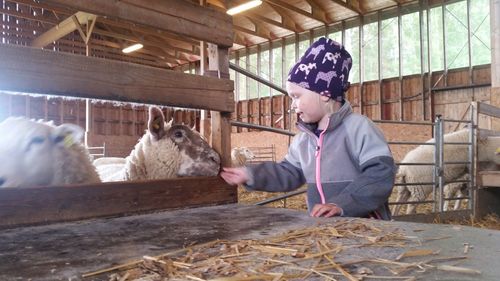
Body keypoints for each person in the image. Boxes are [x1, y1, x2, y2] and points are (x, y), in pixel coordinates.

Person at [221, 37, 396, 220]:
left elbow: (380, 173)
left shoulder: (359, 129)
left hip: (365, 228)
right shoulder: (303, 140)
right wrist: (250, 174)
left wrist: (343, 204)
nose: (293, 104)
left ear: (324, 94)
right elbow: (289, 172)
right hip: (324, 230)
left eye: (296, 96)